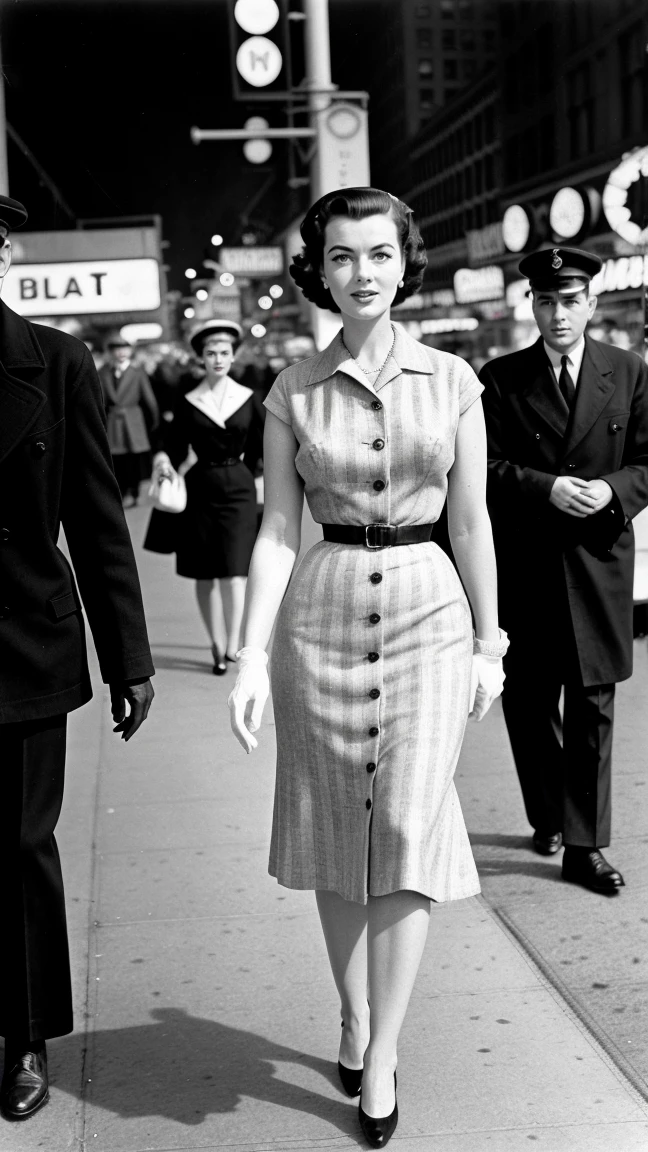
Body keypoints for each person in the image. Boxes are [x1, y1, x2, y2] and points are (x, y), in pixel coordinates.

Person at [228, 187, 507, 1147]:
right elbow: (273, 530)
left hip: (430, 609)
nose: (361, 273)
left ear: (404, 262)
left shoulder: (455, 380)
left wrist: (489, 642)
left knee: (407, 828)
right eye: (341, 256)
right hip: (323, 612)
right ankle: (350, 1011)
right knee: (333, 835)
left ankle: (382, 1049)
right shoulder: (291, 389)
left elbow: (471, 521)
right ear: (319, 269)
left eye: (378, 254)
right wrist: (252, 658)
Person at [0, 195, 155, 1122]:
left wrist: (128, 655)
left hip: (24, 639)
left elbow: (99, 522)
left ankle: (23, 1033)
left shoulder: (56, 363)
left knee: (19, 845)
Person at [480, 246, 648, 894]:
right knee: (527, 702)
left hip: (598, 563)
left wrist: (612, 491)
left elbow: (646, 460)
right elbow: (483, 470)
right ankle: (548, 813)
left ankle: (584, 845)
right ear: (532, 305)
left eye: (571, 300)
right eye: (546, 301)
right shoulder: (500, 379)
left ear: (593, 303)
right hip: (527, 565)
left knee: (593, 707)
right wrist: (543, 487)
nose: (558, 314)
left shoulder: (628, 372)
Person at [144, 320, 263, 673]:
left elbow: (262, 446)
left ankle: (232, 645)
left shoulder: (247, 398)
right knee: (205, 573)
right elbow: (172, 445)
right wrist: (164, 462)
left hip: (239, 488)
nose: (218, 359)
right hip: (200, 489)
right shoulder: (188, 401)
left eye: (224, 353)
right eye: (211, 353)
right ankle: (215, 645)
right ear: (201, 358)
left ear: (233, 356)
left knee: (235, 571)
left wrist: (258, 475)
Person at [98, 335, 159, 506]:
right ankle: (123, 492)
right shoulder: (103, 372)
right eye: (116, 349)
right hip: (113, 420)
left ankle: (134, 491)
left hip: (133, 419)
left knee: (134, 457)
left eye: (125, 349)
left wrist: (154, 420)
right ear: (110, 352)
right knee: (117, 459)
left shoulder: (137, 372)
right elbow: (99, 399)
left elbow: (149, 398)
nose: (121, 353)